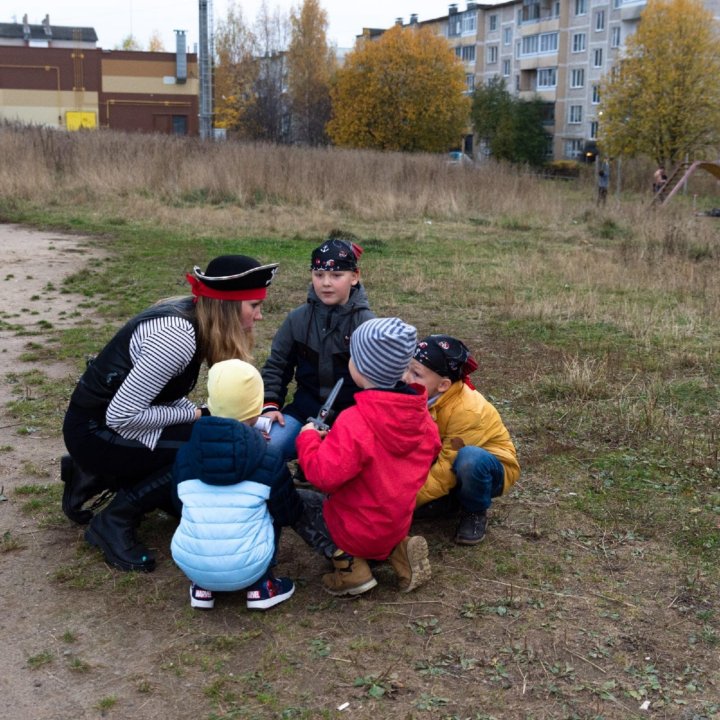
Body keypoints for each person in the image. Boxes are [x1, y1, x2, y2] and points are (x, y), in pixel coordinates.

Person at [61, 254, 279, 573]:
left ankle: (96, 476)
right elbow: (122, 415)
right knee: (203, 450)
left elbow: (157, 398)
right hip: (96, 432)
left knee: (210, 434)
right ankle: (114, 519)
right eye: (253, 306)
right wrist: (195, 416)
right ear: (229, 308)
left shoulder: (195, 318)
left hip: (108, 425)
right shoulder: (177, 336)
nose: (259, 317)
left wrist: (204, 415)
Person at [292, 317, 442, 597]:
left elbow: (322, 476)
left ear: (361, 368)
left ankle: (350, 567)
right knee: (378, 522)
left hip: (355, 528)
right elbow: (432, 449)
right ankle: (398, 551)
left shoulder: (355, 421)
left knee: (298, 501)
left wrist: (308, 440)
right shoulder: (420, 415)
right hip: (395, 522)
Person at [170, 359, 303, 611]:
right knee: (270, 507)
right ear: (256, 406)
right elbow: (288, 513)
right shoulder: (268, 456)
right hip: (250, 565)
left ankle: (202, 587)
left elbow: (178, 503)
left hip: (192, 562)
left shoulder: (187, 453)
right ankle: (263, 586)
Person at [260, 230, 375, 461]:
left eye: (336, 275)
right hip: (304, 411)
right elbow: (277, 366)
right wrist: (270, 405)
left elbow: (380, 385)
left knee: (346, 469)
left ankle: (317, 461)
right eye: (319, 274)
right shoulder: (297, 319)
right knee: (267, 450)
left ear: (354, 277)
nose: (326, 283)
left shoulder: (368, 325)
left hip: (352, 417)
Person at [404, 335, 520, 545]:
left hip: (491, 467)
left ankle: (474, 511)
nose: (406, 377)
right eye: (406, 369)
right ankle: (448, 502)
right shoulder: (419, 395)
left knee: (469, 460)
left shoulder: (467, 410)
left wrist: (405, 502)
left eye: (416, 374)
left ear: (443, 385)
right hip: (445, 456)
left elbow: (448, 466)